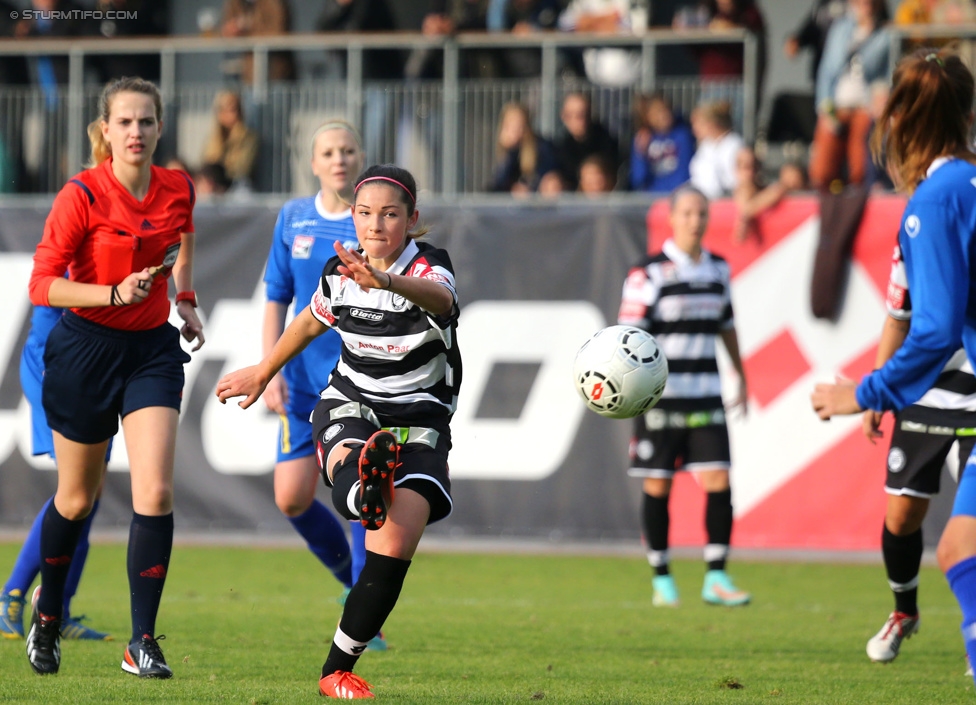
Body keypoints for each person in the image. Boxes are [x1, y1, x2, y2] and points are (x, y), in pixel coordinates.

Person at [216, 163, 460, 698]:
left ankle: (335, 671)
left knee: (395, 546)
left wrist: (387, 280)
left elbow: (441, 303)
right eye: (367, 213)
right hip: (351, 402)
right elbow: (307, 322)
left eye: (391, 214)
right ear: (352, 217)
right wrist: (263, 371)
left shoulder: (430, 271)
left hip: (419, 420)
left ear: (411, 219)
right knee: (350, 446)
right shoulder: (337, 272)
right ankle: (362, 483)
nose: (377, 225)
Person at [24, 76, 204, 678]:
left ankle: (142, 641)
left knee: (155, 492)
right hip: (85, 349)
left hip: (152, 350)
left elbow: (182, 237)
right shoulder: (82, 194)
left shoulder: (178, 185)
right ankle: (47, 616)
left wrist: (186, 297)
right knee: (76, 500)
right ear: (105, 130)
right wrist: (112, 291)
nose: (136, 131)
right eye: (124, 121)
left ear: (159, 126)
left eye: (146, 121)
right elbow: (42, 284)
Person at [809, 48, 976, 687]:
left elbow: (933, 326)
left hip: (952, 386)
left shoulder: (933, 203)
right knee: (950, 541)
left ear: (900, 117)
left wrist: (866, 393)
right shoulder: (959, 188)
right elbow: (904, 314)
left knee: (962, 547)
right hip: (935, 397)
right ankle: (904, 611)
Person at [262, 119, 383, 651]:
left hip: (357, 380)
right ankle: (349, 585)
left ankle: (365, 611)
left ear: (360, 158)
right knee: (291, 498)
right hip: (300, 382)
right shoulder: (292, 219)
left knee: (359, 485)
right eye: (329, 152)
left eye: (348, 150)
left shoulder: (371, 224)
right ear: (313, 163)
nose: (339, 159)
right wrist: (269, 369)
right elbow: (276, 296)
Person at [618, 184, 750, 608]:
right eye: (688, 213)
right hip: (660, 399)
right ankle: (662, 578)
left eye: (702, 213)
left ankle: (717, 576)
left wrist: (741, 375)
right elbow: (628, 337)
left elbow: (726, 325)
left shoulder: (719, 270)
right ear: (672, 219)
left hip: (706, 394)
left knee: (719, 481)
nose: (696, 221)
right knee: (659, 486)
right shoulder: (649, 273)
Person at [860, 242, 976, 663]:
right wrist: (877, 393)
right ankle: (904, 611)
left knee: (970, 534)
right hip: (925, 392)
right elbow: (898, 316)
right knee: (901, 516)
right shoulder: (915, 230)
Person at [0, 305, 112, 642]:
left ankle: (58, 610)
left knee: (90, 494)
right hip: (60, 365)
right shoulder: (79, 251)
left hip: (100, 367)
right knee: (77, 491)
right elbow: (48, 291)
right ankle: (12, 595)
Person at [810, 0, 890, 190]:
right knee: (822, 168)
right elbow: (827, 70)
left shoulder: (885, 33)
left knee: (860, 165)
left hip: (866, 106)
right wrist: (824, 106)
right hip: (837, 103)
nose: (865, 4)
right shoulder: (840, 29)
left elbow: (885, 74)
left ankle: (857, 199)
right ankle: (825, 203)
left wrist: (871, 32)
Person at [731, 146, 806, 244]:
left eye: (754, 166)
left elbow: (748, 207)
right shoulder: (739, 192)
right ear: (736, 169)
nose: (751, 172)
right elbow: (747, 204)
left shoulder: (772, 190)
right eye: (745, 167)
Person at [488, 102, 562, 195]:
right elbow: (499, 185)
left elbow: (548, 178)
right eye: (510, 125)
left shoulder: (542, 148)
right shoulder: (509, 153)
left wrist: (529, 190)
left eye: (520, 125)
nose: (515, 130)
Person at [553, 92, 620, 191]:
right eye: (570, 115)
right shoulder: (560, 147)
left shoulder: (606, 141)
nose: (578, 120)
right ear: (563, 117)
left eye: (582, 114)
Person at [629, 92, 695, 193]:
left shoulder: (682, 135)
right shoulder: (642, 138)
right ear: (647, 117)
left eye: (667, 109)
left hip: (677, 194)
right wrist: (641, 153)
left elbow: (685, 172)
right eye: (658, 112)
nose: (665, 115)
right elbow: (638, 178)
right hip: (651, 197)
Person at [201, 90, 259, 188]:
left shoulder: (249, 137)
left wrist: (236, 135)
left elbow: (242, 168)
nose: (231, 114)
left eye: (234, 109)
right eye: (224, 109)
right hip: (215, 185)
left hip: (236, 186)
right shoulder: (214, 137)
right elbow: (208, 163)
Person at [688, 100, 744, 200]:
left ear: (712, 124)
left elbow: (735, 181)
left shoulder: (735, 145)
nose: (694, 129)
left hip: (726, 201)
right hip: (702, 200)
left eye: (698, 124)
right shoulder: (706, 145)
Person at [784, 0, 847, 84]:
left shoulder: (855, 4)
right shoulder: (823, 4)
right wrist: (798, 40)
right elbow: (813, 28)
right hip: (822, 72)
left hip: (847, 73)